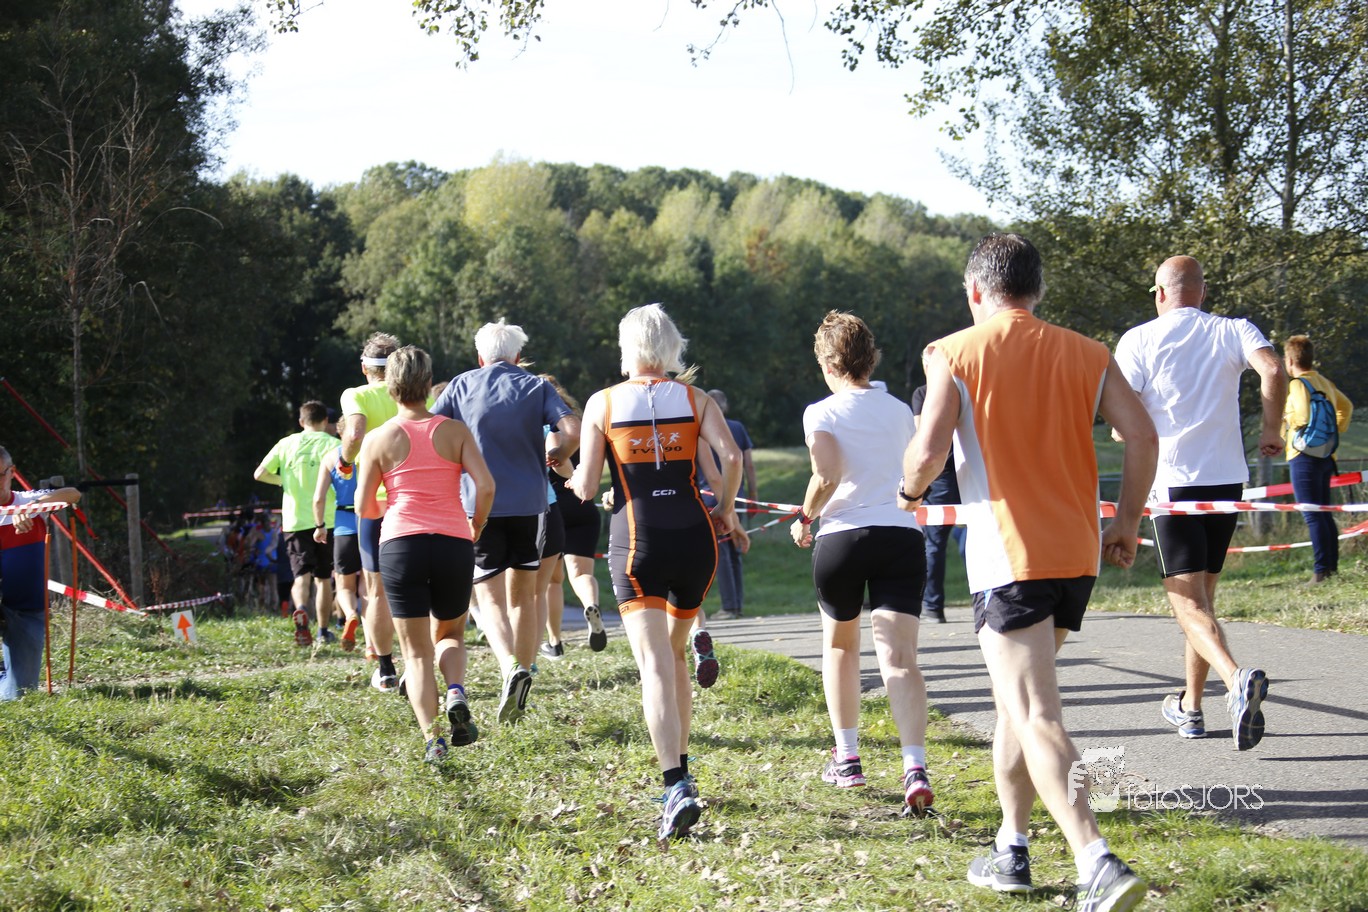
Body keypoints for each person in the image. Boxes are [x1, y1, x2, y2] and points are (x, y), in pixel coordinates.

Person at [902, 234, 1157, 910]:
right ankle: (1011, 847)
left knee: (1035, 712)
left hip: (1007, 556)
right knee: (1014, 707)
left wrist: (907, 490)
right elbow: (1142, 435)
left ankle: (1096, 860)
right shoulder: (1088, 352)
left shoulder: (952, 352)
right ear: (1037, 290)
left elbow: (927, 452)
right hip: (1075, 554)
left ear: (975, 291)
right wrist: (1128, 522)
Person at [567, 303, 742, 840]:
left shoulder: (602, 402)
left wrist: (571, 477)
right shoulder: (695, 398)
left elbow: (586, 486)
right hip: (695, 539)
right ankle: (682, 769)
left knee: (655, 666)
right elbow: (732, 458)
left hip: (637, 542)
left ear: (627, 348)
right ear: (671, 348)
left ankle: (674, 785)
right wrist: (726, 510)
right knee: (674, 654)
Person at [1114, 255, 1286, 752]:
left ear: (1158, 293)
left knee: (1187, 604)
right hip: (1227, 481)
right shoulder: (1233, 329)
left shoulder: (1139, 339)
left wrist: (1126, 428)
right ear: (1203, 293)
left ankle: (1235, 680)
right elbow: (1274, 369)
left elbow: (1123, 420)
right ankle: (1191, 708)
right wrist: (1271, 430)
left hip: (1173, 482)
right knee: (1203, 601)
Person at [790, 312, 935, 813]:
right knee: (901, 658)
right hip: (900, 535)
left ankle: (848, 758)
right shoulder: (901, 411)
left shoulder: (821, 412)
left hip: (843, 539)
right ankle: (914, 766)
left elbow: (827, 474)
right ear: (870, 360)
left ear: (827, 364)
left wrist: (804, 516)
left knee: (840, 647)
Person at [432, 320, 582, 724]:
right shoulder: (536, 386)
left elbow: (431, 430)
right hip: (531, 505)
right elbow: (572, 429)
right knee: (524, 597)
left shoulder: (460, 385)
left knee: (491, 599)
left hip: (478, 505)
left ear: (480, 356)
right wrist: (558, 455)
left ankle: (509, 666)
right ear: (517, 355)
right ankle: (526, 671)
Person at [357, 346, 494, 762]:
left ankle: (433, 740)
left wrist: (392, 507)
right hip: (453, 541)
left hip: (401, 546)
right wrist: (476, 524)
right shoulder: (454, 431)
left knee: (416, 654)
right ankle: (456, 690)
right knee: (450, 634)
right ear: (429, 383)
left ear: (391, 387)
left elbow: (364, 506)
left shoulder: (377, 439)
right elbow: (486, 486)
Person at [341, 332, 403, 690]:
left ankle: (385, 668)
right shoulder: (420, 394)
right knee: (417, 585)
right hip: (415, 500)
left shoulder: (357, 394)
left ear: (364, 367)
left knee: (376, 589)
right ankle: (419, 662)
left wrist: (344, 459)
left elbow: (354, 433)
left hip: (374, 503)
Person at [0, 447, 82, 700]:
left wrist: (31, 507)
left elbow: (73, 494)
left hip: (26, 608)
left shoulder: (28, 501)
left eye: (0, 474)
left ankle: (7, 674)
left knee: (20, 695)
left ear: (12, 472)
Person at [254, 401, 337, 647]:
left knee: (301, 576)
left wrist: (283, 481)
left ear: (301, 422)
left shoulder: (286, 443)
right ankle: (322, 631)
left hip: (294, 520)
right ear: (325, 421)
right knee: (323, 579)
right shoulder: (333, 444)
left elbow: (259, 473)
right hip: (327, 519)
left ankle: (301, 608)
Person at [539, 376, 608, 658]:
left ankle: (555, 643)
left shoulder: (550, 427)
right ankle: (591, 605)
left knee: (553, 581)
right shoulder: (580, 425)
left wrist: (567, 470)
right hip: (583, 507)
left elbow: (557, 460)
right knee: (581, 574)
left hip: (554, 508)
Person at [1281, 334, 1353, 584]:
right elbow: (1346, 406)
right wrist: (1334, 429)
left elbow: (1301, 416)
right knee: (1324, 512)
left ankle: (1320, 571)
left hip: (1302, 455)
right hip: (1326, 455)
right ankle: (1330, 568)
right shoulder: (1324, 382)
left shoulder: (1297, 384)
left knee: (1311, 513)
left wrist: (1287, 420)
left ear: (1290, 360)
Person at [911, 384, 965, 623]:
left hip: (941, 474)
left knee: (934, 543)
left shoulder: (924, 393)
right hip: (974, 471)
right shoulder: (968, 386)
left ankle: (933, 605)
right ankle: (987, 598)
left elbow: (922, 437)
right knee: (976, 537)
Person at [702, 389, 757, 620]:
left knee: (722, 552)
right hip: (737, 496)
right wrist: (753, 495)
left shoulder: (701, 429)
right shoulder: (737, 427)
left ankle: (729, 606)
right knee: (735, 550)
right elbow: (748, 465)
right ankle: (736, 604)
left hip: (710, 497)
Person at [314, 444, 363, 651]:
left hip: (343, 526)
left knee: (344, 586)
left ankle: (350, 613)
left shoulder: (330, 457)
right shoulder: (372, 447)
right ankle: (373, 646)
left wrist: (320, 526)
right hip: (371, 520)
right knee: (371, 589)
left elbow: (319, 498)